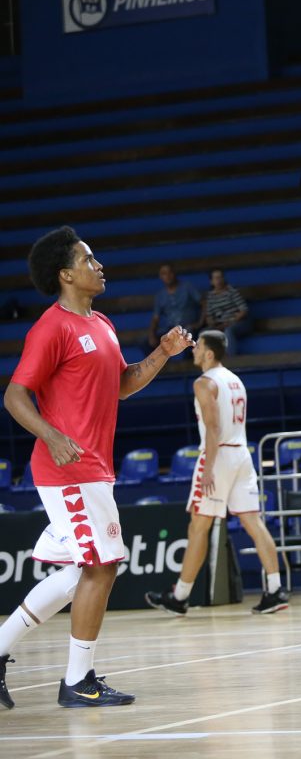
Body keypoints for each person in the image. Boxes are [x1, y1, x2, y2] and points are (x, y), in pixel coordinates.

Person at [0, 226, 193, 709]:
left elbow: (122, 385)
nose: (99, 265)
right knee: (101, 567)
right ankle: (77, 680)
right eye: (88, 259)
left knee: (80, 573)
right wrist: (52, 435)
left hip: (94, 469)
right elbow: (15, 396)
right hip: (67, 469)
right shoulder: (51, 327)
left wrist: (163, 353)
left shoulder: (102, 323)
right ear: (66, 274)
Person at [144, 331, 288, 618]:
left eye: (198, 347)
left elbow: (213, 427)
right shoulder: (235, 380)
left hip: (218, 454)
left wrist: (208, 467)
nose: (194, 350)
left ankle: (180, 597)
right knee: (253, 523)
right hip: (241, 454)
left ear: (209, 353)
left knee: (198, 527)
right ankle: (275, 589)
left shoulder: (204, 382)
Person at [145, 263, 202, 354]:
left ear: (174, 273)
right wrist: (151, 334)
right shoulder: (160, 295)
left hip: (189, 327)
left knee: (188, 337)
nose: (168, 276)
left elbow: (203, 303)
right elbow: (155, 318)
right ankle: (163, 363)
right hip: (171, 329)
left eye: (170, 272)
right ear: (160, 276)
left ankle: (190, 362)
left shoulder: (187, 287)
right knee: (146, 342)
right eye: (164, 273)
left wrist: (200, 323)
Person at [201, 269, 251, 356]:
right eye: (216, 278)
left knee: (228, 331)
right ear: (211, 282)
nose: (219, 280)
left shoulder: (232, 292)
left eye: (221, 277)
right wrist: (212, 323)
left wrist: (230, 322)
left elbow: (244, 310)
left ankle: (231, 358)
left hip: (238, 323)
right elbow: (209, 316)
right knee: (204, 333)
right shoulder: (210, 296)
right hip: (220, 324)